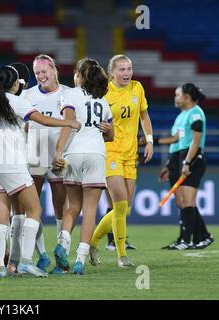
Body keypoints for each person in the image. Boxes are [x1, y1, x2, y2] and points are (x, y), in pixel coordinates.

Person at [0, 65, 81, 277]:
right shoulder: (16, 101)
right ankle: (26, 261)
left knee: (1, 216)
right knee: (35, 210)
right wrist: (70, 122)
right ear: (14, 83)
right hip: (12, 165)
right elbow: (44, 120)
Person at [89, 54, 154, 268]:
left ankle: (92, 242)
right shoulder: (104, 93)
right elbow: (95, 123)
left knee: (124, 210)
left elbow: (144, 115)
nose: (127, 73)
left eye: (129, 69)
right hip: (110, 152)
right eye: (122, 69)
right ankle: (121, 255)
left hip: (130, 153)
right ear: (112, 72)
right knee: (119, 203)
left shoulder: (138, 88)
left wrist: (150, 140)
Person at [52, 58, 113, 275]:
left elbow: (67, 125)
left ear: (80, 75)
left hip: (74, 153)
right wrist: (105, 129)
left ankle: (63, 242)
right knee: (89, 210)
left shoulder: (70, 95)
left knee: (72, 206)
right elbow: (111, 135)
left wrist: (58, 152)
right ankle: (80, 260)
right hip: (96, 153)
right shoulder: (102, 100)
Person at [22, 54, 71, 273]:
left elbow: (71, 126)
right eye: (37, 73)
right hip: (34, 155)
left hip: (59, 157)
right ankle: (41, 254)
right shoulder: (27, 95)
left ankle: (62, 253)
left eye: (44, 71)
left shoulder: (68, 94)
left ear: (54, 69)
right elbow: (22, 127)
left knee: (61, 208)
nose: (41, 76)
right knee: (31, 208)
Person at [163, 83, 213, 249]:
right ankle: (201, 236)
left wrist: (187, 162)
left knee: (187, 202)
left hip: (193, 160)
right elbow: (177, 141)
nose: (175, 97)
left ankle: (187, 240)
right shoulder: (184, 115)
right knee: (184, 202)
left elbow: (196, 141)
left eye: (177, 94)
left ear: (186, 97)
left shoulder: (196, 113)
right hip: (184, 158)